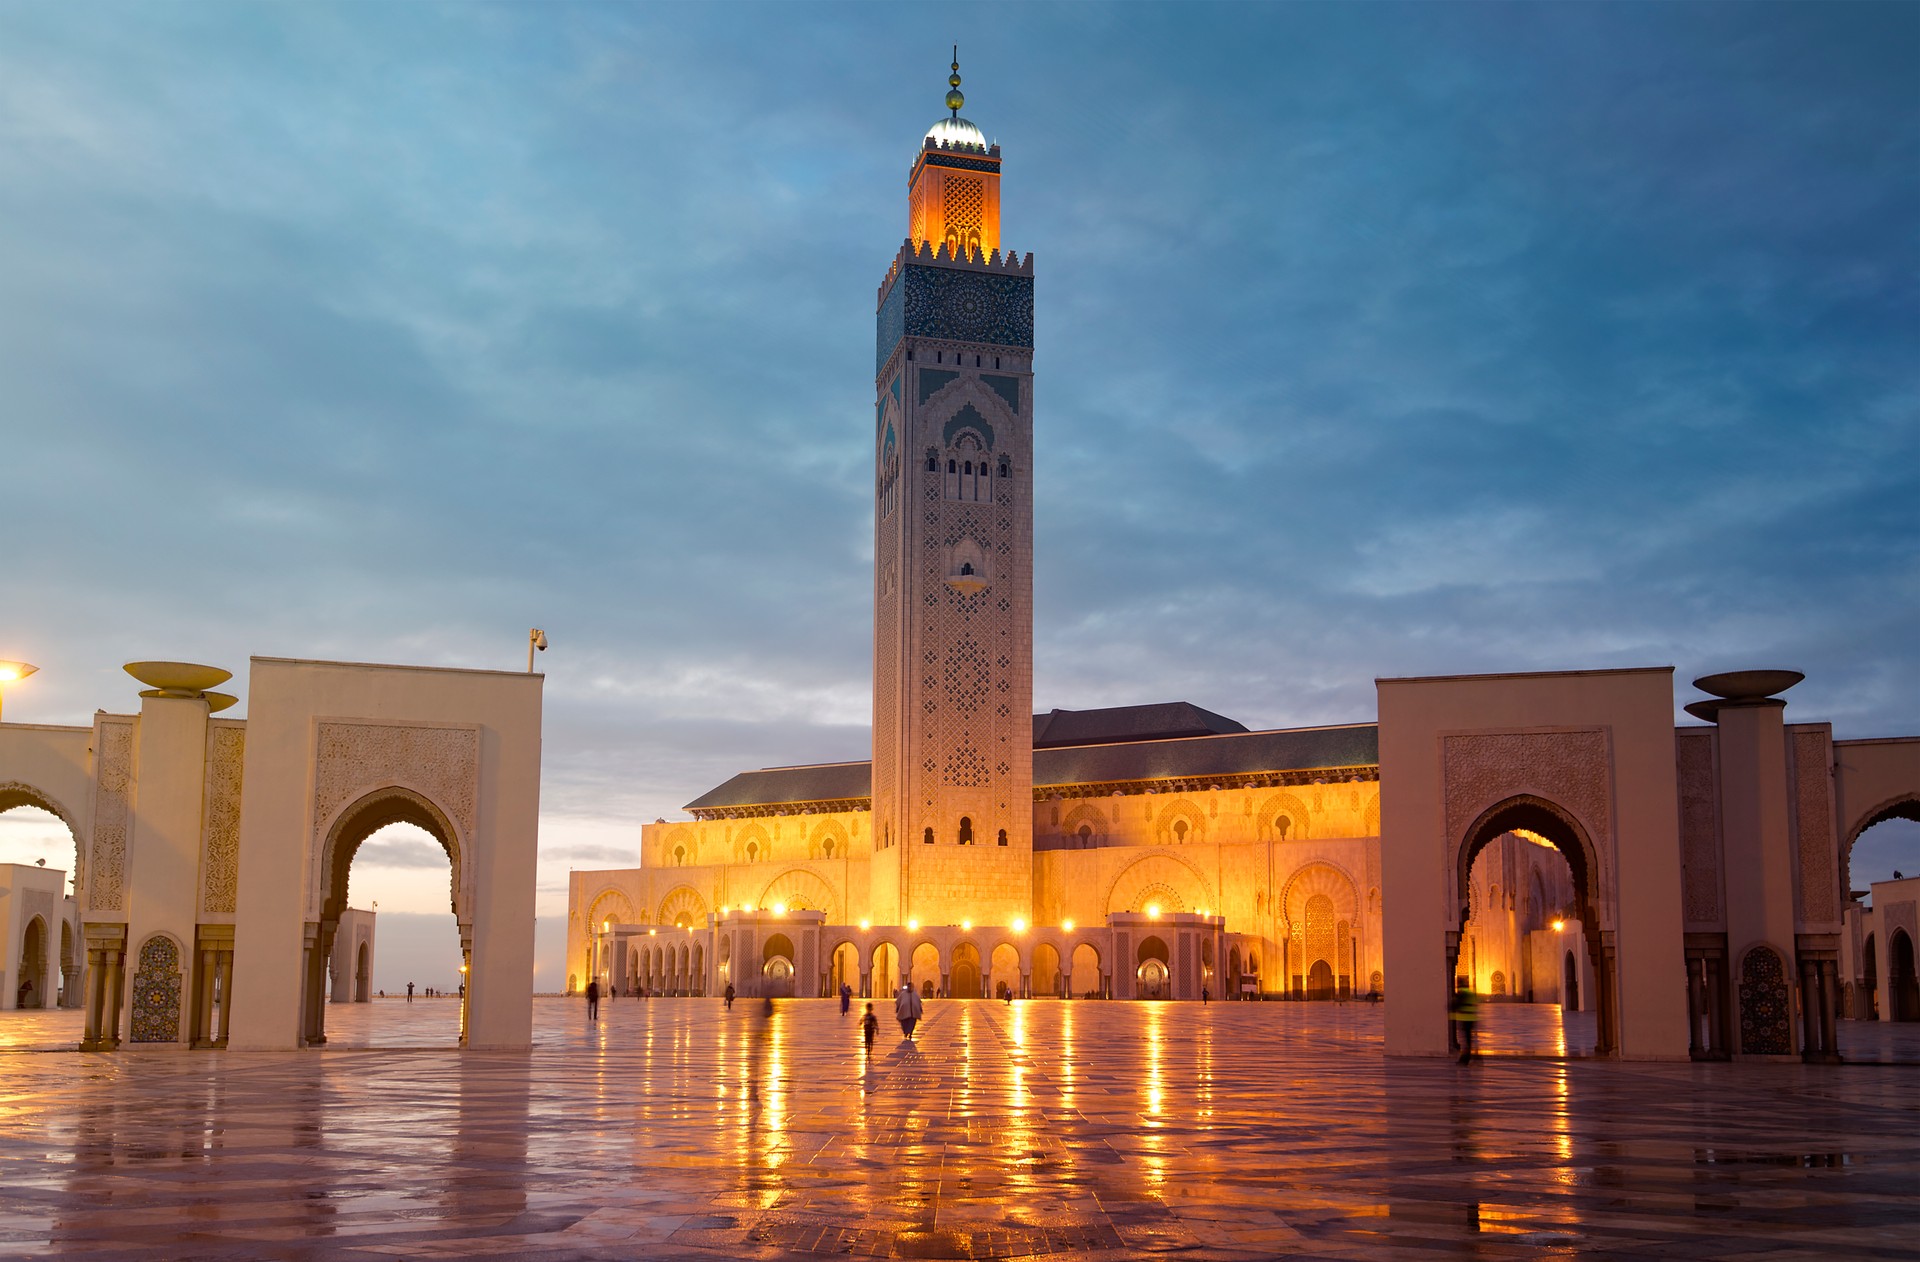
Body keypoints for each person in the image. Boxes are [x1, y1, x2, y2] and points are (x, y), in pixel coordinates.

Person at [1450, 979, 1479, 1063]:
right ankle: (1469, 1057)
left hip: (1465, 1019)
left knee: (1465, 1040)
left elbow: (1456, 1005)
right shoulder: (1471, 994)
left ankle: (1465, 1058)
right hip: (1472, 1019)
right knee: (1468, 1040)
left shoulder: (1462, 994)